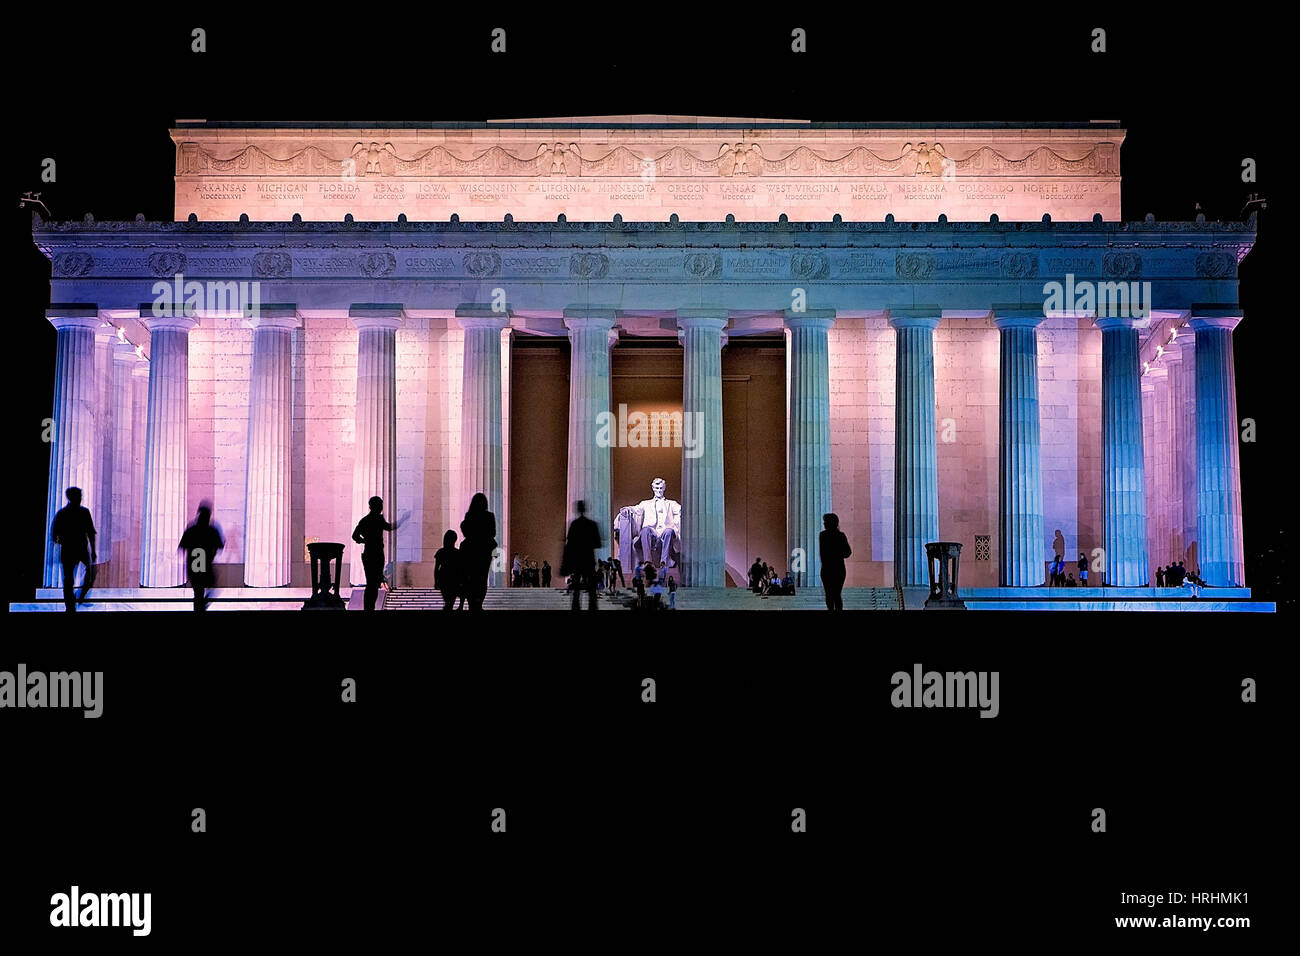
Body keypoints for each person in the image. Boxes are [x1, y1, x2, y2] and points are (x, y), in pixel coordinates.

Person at [51, 486, 97, 612]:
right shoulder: (66, 513)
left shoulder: (77, 513)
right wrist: (92, 550)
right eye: (79, 496)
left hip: (75, 549)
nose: (80, 498)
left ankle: (76, 599)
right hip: (73, 549)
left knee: (83, 575)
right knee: (70, 579)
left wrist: (93, 550)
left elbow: (91, 533)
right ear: (73, 498)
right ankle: (71, 605)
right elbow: (55, 534)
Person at [179, 502, 225, 612]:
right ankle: (202, 606)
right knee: (212, 589)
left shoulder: (191, 529)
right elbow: (220, 546)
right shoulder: (212, 530)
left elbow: (182, 547)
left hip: (193, 567)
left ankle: (200, 608)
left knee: (198, 594)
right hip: (205, 566)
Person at [352, 496, 394, 612]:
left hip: (370, 554)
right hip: (376, 554)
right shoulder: (377, 519)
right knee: (372, 584)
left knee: (372, 584)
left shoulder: (365, 520)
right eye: (380, 506)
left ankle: (369, 608)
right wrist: (402, 521)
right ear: (375, 506)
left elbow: (355, 535)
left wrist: (364, 540)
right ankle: (369, 608)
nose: (381, 508)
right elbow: (389, 527)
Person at [460, 492, 498, 612]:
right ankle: (478, 604)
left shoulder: (469, 515)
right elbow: (493, 533)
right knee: (482, 578)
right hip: (484, 551)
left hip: (470, 550)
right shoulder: (489, 516)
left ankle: (472, 604)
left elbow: (466, 532)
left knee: (471, 578)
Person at [561, 499, 602, 611]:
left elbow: (569, 544)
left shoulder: (574, 525)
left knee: (576, 591)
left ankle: (576, 608)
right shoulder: (592, 524)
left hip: (577, 561)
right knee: (591, 591)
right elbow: (598, 543)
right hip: (588, 560)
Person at [819, 512, 852, 611]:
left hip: (828, 569)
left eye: (825, 522)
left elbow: (823, 553)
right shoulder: (840, 536)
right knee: (836, 595)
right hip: (838, 568)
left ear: (831, 523)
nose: (824, 524)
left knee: (830, 594)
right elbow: (848, 552)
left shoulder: (823, 535)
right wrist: (838, 553)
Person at [434, 530, 461, 612]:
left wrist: (436, 581)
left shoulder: (441, 552)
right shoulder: (457, 553)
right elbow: (459, 569)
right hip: (453, 580)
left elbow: (436, 569)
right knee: (450, 602)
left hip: (444, 579)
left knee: (448, 602)